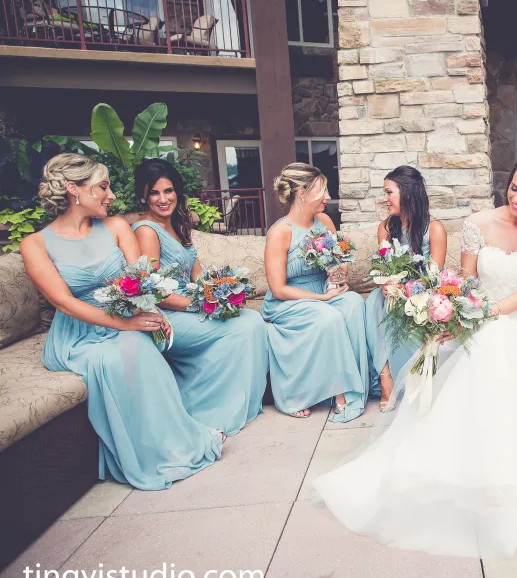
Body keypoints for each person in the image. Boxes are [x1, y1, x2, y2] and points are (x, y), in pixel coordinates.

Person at [314, 151, 517, 559]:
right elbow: (465, 281)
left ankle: (512, 480)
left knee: (498, 352)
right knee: (467, 365)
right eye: (514, 187)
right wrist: (451, 308)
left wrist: (480, 313)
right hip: (479, 317)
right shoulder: (478, 224)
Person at [20, 154, 221, 490]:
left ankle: (179, 442)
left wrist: (148, 313)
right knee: (117, 356)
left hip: (125, 318)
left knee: (138, 345)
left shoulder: (116, 227)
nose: (111, 195)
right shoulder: (35, 244)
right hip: (78, 336)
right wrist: (125, 325)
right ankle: (146, 457)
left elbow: (142, 279)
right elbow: (63, 302)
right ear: (74, 190)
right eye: (103, 187)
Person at [131, 159, 268, 435]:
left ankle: (236, 402)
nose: (163, 199)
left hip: (190, 304)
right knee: (242, 328)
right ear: (144, 196)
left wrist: (222, 293)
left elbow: (197, 274)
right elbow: (153, 291)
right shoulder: (147, 231)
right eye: (155, 193)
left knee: (251, 319)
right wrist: (199, 305)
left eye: (168, 191)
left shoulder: (178, 225)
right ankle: (204, 410)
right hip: (169, 315)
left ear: (177, 192)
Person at [261, 163, 368, 421]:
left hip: (323, 291)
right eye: (323, 191)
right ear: (302, 194)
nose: (328, 197)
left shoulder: (324, 221)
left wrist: (337, 277)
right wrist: (322, 298)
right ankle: (337, 392)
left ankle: (356, 387)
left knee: (353, 303)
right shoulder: (279, 232)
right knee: (327, 316)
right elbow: (278, 289)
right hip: (288, 301)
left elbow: (338, 263)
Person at [364, 166, 447, 411]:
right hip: (391, 294)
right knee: (374, 303)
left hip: (422, 295)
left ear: (408, 192)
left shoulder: (434, 229)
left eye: (389, 192)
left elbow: (434, 278)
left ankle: (409, 376)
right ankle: (385, 378)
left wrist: (407, 288)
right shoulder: (386, 228)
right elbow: (383, 266)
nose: (385, 198)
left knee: (400, 307)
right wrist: (387, 284)